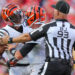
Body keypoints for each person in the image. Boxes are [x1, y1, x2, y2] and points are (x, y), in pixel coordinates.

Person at [0, 1, 73, 75]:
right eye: (14, 16)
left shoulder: (38, 27)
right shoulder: (72, 29)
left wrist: (11, 42)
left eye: (20, 14)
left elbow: (22, 47)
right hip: (66, 66)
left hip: (37, 67)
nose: (20, 17)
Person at [7, 6, 46, 75]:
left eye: (28, 16)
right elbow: (25, 39)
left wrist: (11, 48)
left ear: (33, 17)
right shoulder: (43, 27)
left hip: (40, 66)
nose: (26, 18)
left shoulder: (38, 32)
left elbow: (19, 55)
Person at [0, 4, 31, 75]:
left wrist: (13, 40)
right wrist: (6, 63)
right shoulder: (5, 31)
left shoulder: (29, 26)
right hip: (17, 68)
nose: (18, 17)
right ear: (7, 19)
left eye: (19, 14)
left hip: (33, 66)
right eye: (14, 16)